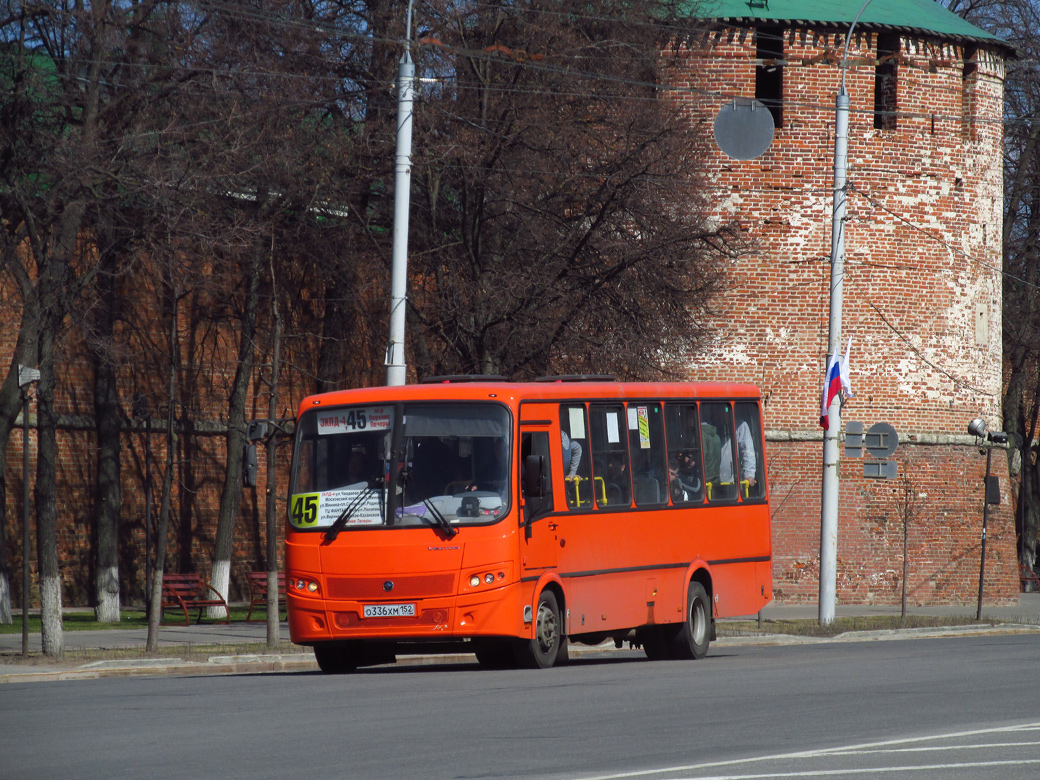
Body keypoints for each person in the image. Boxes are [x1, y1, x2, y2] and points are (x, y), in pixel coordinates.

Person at [720, 420, 757, 489]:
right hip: (711, 481)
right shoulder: (707, 423)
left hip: (732, 482)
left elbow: (748, 451)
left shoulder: (740, 425)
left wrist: (749, 474)